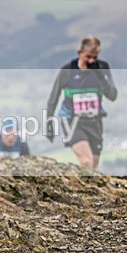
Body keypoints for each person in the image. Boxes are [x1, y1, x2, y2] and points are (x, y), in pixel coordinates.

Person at [45, 36, 117, 170]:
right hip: (71, 120)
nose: (91, 61)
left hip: (94, 121)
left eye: (95, 57)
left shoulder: (102, 68)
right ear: (80, 53)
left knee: (94, 166)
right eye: (88, 57)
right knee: (86, 161)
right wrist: (49, 124)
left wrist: (100, 77)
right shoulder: (67, 71)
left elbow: (112, 95)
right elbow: (53, 99)